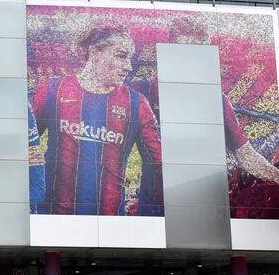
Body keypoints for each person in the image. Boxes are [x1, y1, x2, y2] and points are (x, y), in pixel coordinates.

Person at [134, 15, 279, 214]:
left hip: (201, 209)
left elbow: (247, 157)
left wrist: (277, 176)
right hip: (153, 210)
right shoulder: (145, 91)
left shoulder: (217, 99)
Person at [31, 21, 162, 215]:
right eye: (120, 56)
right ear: (94, 53)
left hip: (109, 224)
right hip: (54, 220)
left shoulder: (136, 103)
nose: (128, 66)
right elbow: (25, 147)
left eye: (130, 58)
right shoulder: (54, 89)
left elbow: (159, 162)